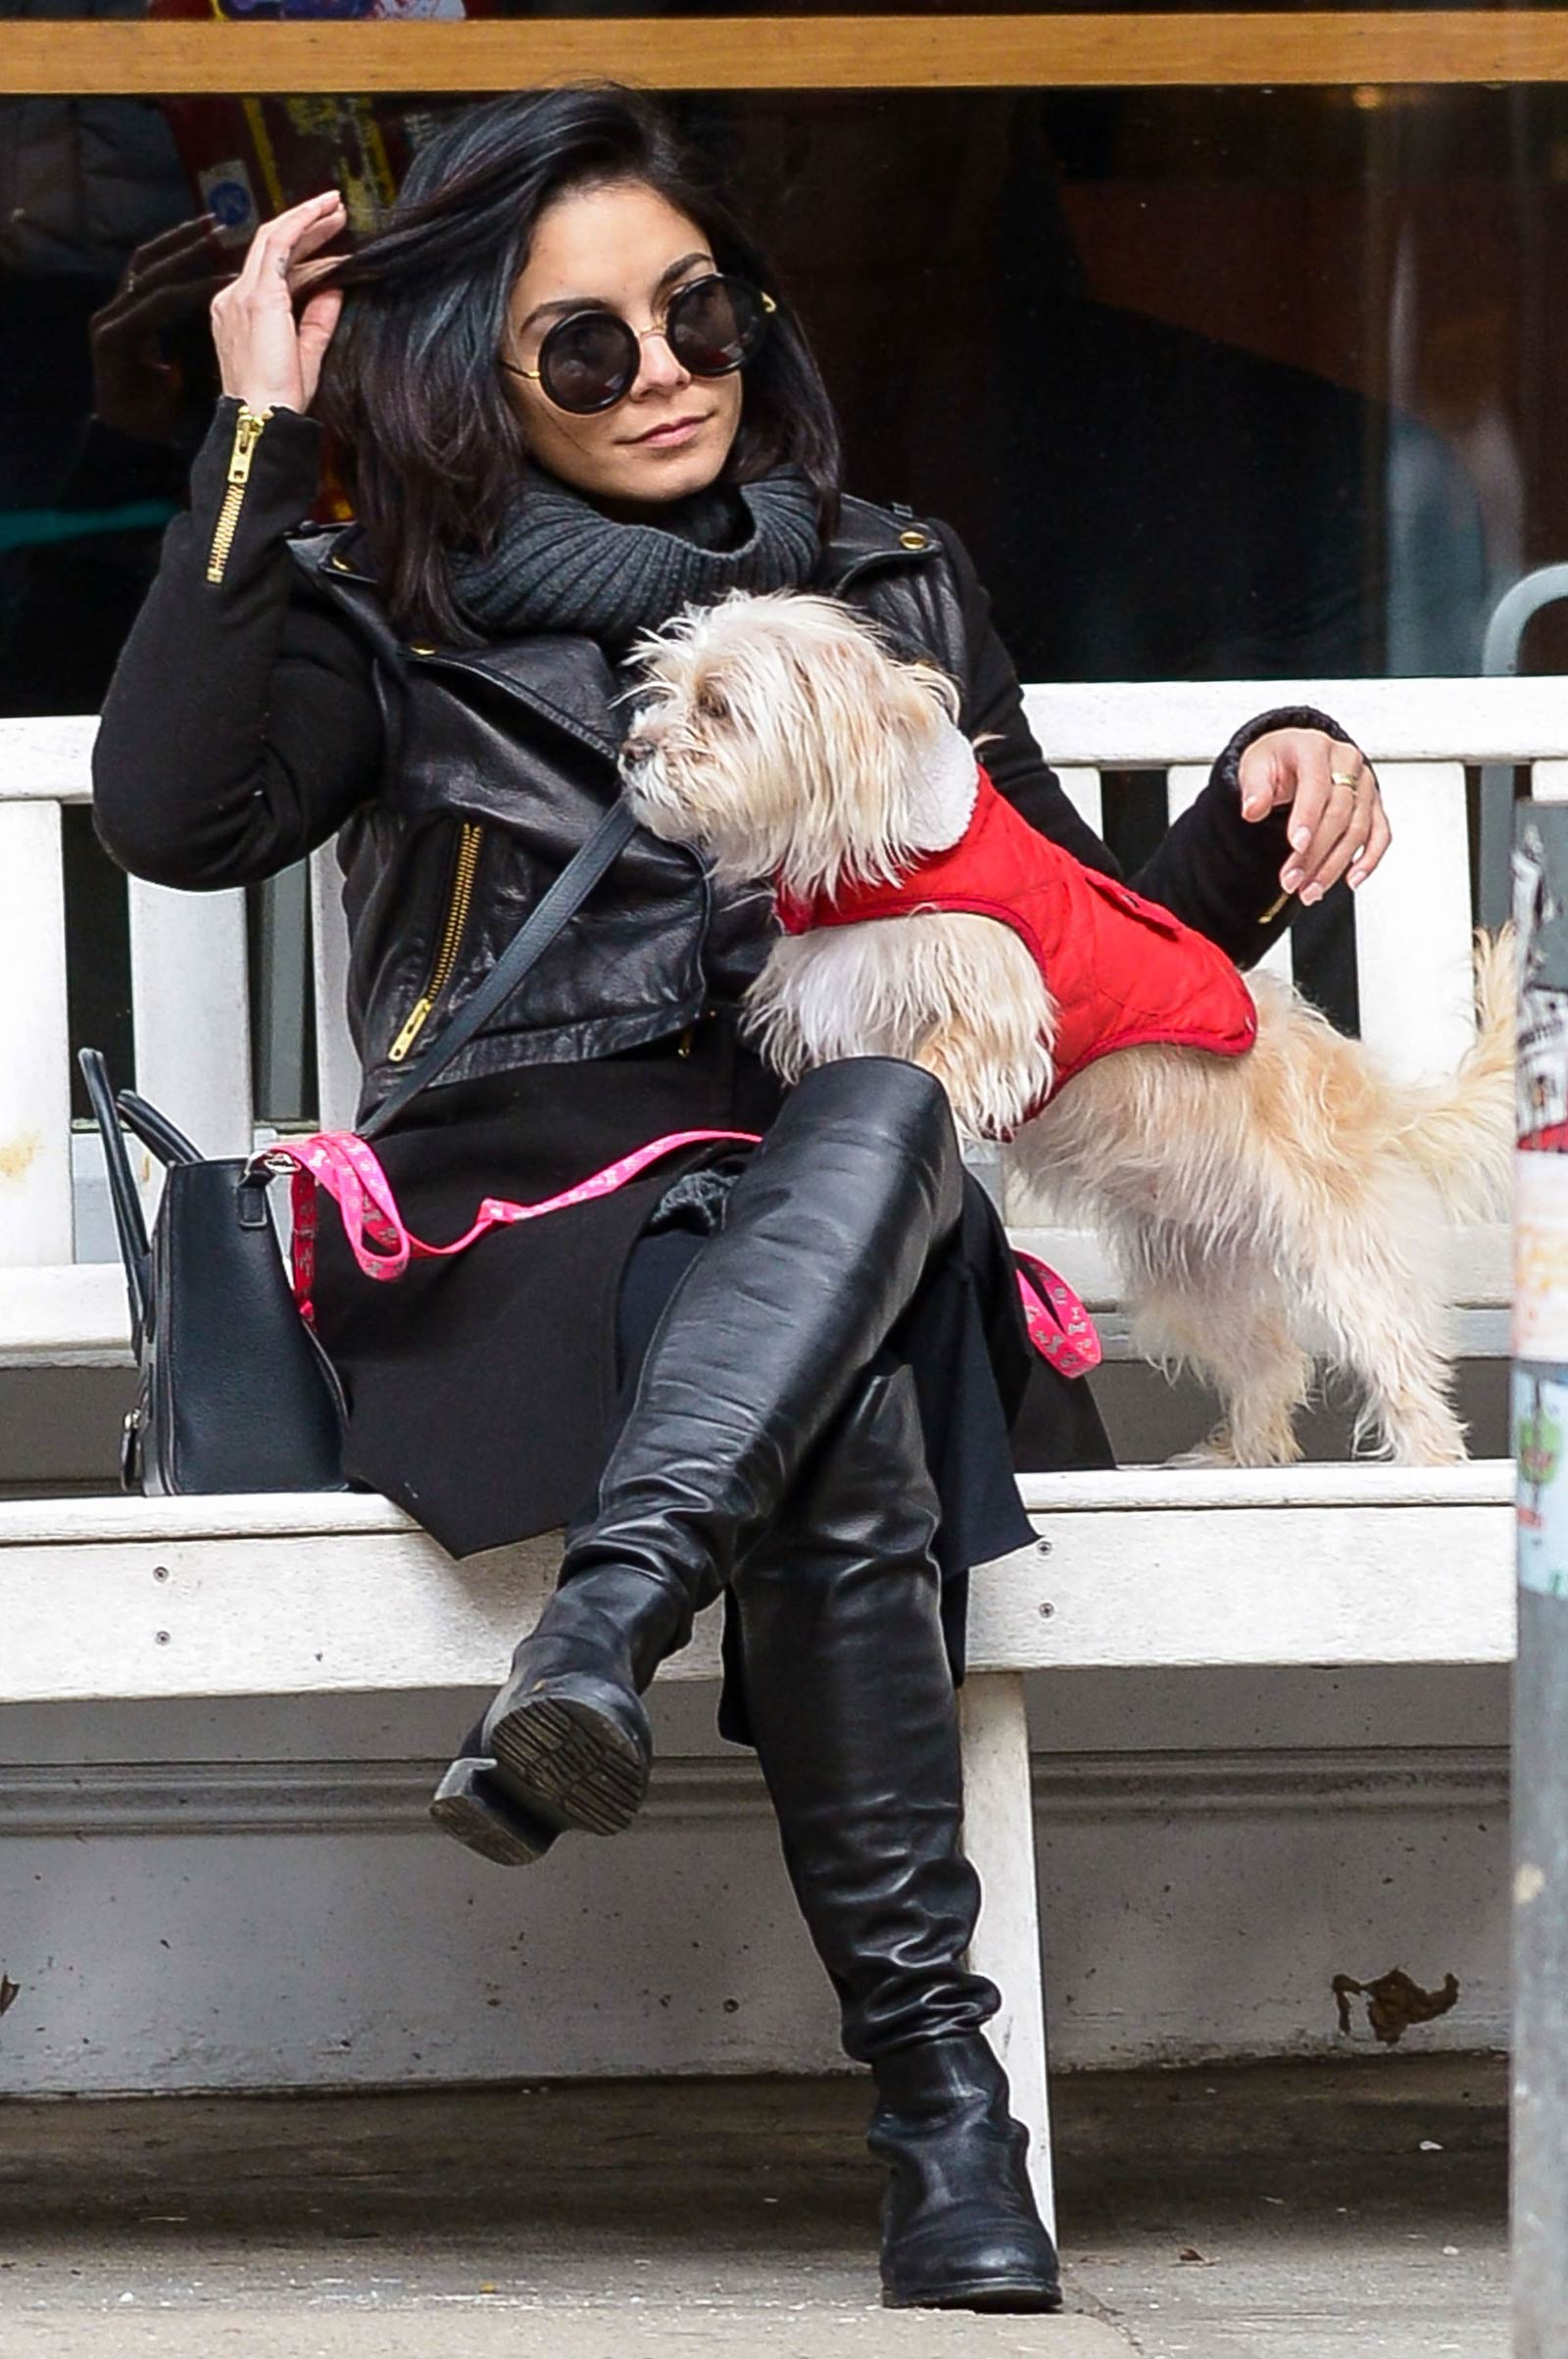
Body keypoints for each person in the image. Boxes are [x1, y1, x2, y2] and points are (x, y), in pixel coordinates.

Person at [91, 85, 1389, 2315]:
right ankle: (942, 2123)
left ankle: (600, 1639)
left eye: (691, 310)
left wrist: (1265, 808)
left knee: (871, 1126)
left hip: (838, 1206)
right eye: (582, 349)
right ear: (475, 386)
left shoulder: (890, 581)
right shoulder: (390, 612)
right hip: (528, 1235)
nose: (664, 369)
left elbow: (1056, 932)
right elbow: (168, 811)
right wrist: (249, 439)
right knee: (846, 1319)